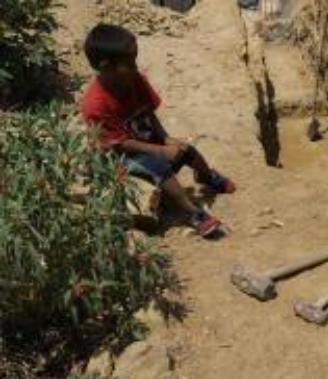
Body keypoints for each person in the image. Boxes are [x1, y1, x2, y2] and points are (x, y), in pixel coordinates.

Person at [80, 23, 235, 238]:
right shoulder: (95, 104)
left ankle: (207, 177)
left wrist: (166, 138)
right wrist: (161, 151)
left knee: (187, 150)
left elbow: (148, 112)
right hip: (121, 157)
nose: (135, 67)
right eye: (129, 63)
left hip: (146, 141)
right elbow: (120, 143)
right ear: (106, 66)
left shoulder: (134, 80)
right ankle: (193, 213)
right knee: (158, 167)